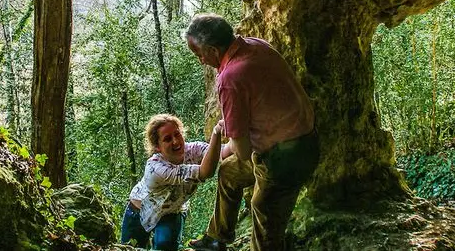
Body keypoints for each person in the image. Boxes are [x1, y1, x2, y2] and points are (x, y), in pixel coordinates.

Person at [185, 13, 319, 251]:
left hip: (285, 157)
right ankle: (217, 238)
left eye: (199, 54)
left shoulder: (229, 78)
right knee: (229, 172)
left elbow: (244, 151)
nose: (200, 61)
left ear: (214, 50)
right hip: (306, 138)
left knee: (264, 211)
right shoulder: (256, 45)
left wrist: (222, 149)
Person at [121, 114, 224, 250]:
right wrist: (216, 132)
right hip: (138, 212)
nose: (175, 141)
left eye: (177, 134)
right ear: (157, 146)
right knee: (129, 248)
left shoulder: (193, 150)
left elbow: (222, 152)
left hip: (171, 212)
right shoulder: (155, 168)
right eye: (167, 139)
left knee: (165, 246)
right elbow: (206, 172)